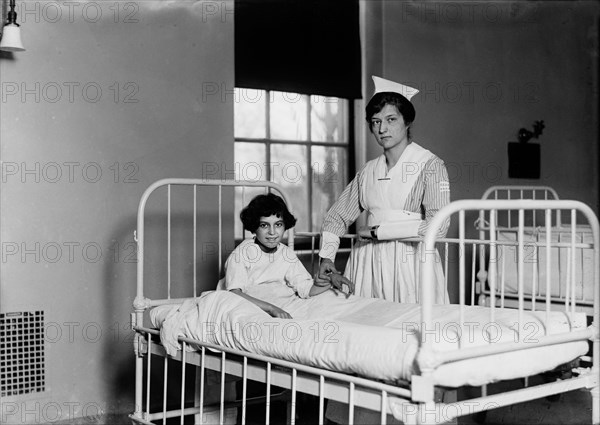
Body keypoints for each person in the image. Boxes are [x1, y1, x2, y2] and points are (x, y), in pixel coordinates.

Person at [317, 75, 451, 304]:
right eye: (376, 122)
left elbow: (438, 226)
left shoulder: (430, 165)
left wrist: (378, 232)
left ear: (407, 121)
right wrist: (326, 256)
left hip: (411, 262)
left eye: (391, 119)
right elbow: (336, 217)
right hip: (366, 261)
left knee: (410, 328)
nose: (383, 128)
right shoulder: (368, 172)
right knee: (366, 326)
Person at [221, 193, 334, 318]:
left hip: (285, 305)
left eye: (278, 224)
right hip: (251, 307)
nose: (272, 232)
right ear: (254, 226)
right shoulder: (242, 253)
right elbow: (235, 294)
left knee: (328, 307)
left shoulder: (286, 253)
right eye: (264, 225)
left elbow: (305, 289)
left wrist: (330, 280)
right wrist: (271, 308)